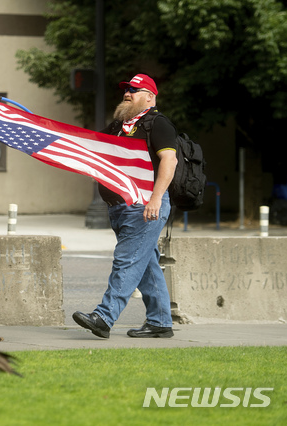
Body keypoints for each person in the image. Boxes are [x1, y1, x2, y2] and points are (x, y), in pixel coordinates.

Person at [73, 74, 177, 338]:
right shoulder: (118, 126)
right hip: (119, 207)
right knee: (145, 264)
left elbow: (169, 161)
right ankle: (161, 322)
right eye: (125, 90)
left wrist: (156, 198)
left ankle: (104, 317)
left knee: (127, 261)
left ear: (150, 97)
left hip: (145, 205)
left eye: (134, 89)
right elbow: (94, 149)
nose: (127, 94)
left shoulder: (158, 123)